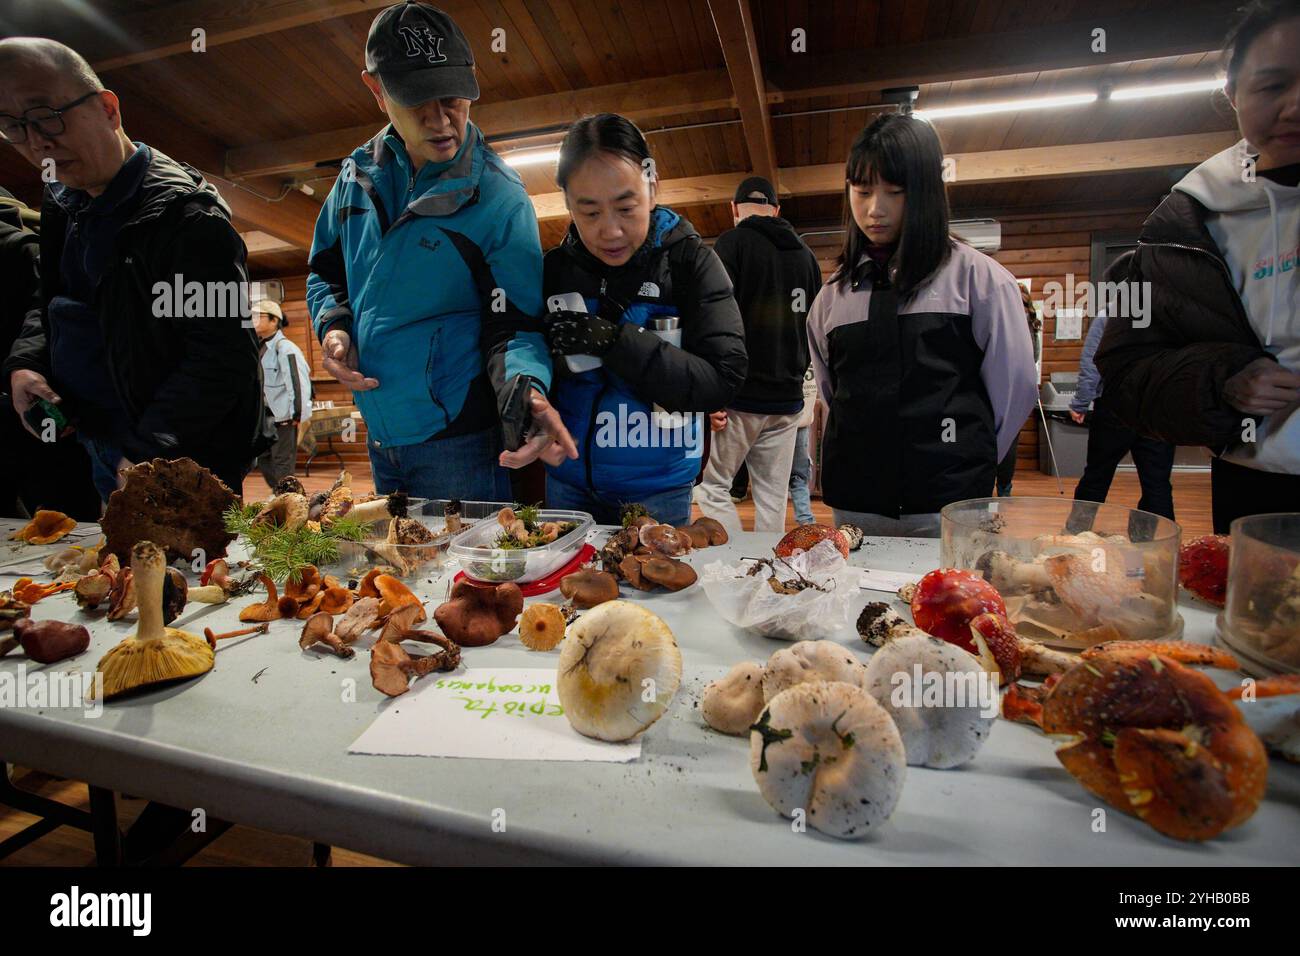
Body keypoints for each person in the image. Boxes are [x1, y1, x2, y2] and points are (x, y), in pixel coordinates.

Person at [307, 2, 575, 502]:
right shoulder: (353, 178)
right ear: (376, 90)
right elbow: (325, 272)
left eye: (452, 97)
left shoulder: (499, 197)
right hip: (380, 434)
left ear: (471, 79)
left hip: (461, 443)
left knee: (465, 578)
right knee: (403, 577)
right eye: (416, 102)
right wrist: (334, 325)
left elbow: (515, 323)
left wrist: (528, 393)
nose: (440, 120)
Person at [0, 38, 262, 501]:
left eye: (45, 117)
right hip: (97, 440)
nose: (37, 143)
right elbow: (51, 301)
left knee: (193, 572)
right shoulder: (63, 198)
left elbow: (220, 357)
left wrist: (147, 451)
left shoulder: (187, 220)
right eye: (13, 127)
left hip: (179, 459)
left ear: (107, 109)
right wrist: (25, 363)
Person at [1096, 0, 1300, 533]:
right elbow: (1126, 373)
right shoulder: (1186, 225)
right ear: (1233, 93)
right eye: (1273, 85)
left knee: (1154, 483)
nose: (1296, 104)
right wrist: (1223, 381)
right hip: (1253, 478)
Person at [807, 114, 1038, 537]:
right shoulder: (831, 298)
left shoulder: (981, 282)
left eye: (895, 192)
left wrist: (966, 460)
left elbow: (1015, 390)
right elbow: (832, 393)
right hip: (856, 505)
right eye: (862, 192)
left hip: (948, 506)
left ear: (928, 192)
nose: (875, 209)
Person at [541, 113, 747, 526]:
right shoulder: (554, 269)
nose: (611, 231)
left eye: (626, 207)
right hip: (567, 488)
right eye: (590, 213)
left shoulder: (691, 262)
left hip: (659, 494)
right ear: (567, 202)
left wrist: (614, 342)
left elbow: (722, 378)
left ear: (653, 188)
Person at [696, 176, 822, 533]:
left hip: (739, 397)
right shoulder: (806, 257)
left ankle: (736, 568)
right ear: (777, 210)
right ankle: (766, 574)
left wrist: (711, 390)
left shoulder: (730, 244)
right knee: (772, 497)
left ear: (734, 209)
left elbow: (712, 323)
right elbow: (813, 326)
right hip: (787, 399)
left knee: (713, 486)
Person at [0, 186, 99, 519]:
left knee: (66, 526)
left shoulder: (19, 249)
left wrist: (24, 362)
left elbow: (50, 314)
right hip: (25, 409)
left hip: (44, 410)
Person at [1069, 253, 1177, 526]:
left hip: (1116, 406)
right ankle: (1151, 546)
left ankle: (1075, 533)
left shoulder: (1109, 316)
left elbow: (1092, 363)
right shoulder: (1170, 317)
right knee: (1157, 483)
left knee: (1096, 475)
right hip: (1158, 410)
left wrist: (1080, 403)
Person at [251, 300, 312, 491]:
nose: (252, 321)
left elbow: (298, 383)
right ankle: (283, 495)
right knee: (263, 459)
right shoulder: (260, 347)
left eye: (258, 316)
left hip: (284, 418)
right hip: (265, 419)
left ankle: (291, 501)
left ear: (274, 320)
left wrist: (297, 415)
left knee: (282, 464)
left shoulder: (285, 348)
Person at [994, 283, 1041, 496]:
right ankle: (1004, 488)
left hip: (997, 386)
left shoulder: (1006, 318)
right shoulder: (1031, 322)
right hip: (1016, 389)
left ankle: (991, 488)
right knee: (1009, 441)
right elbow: (1034, 357)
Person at [788, 366, 818, 526]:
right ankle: (806, 521)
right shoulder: (811, 351)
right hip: (799, 419)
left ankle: (806, 520)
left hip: (783, 418)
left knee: (772, 480)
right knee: (799, 476)